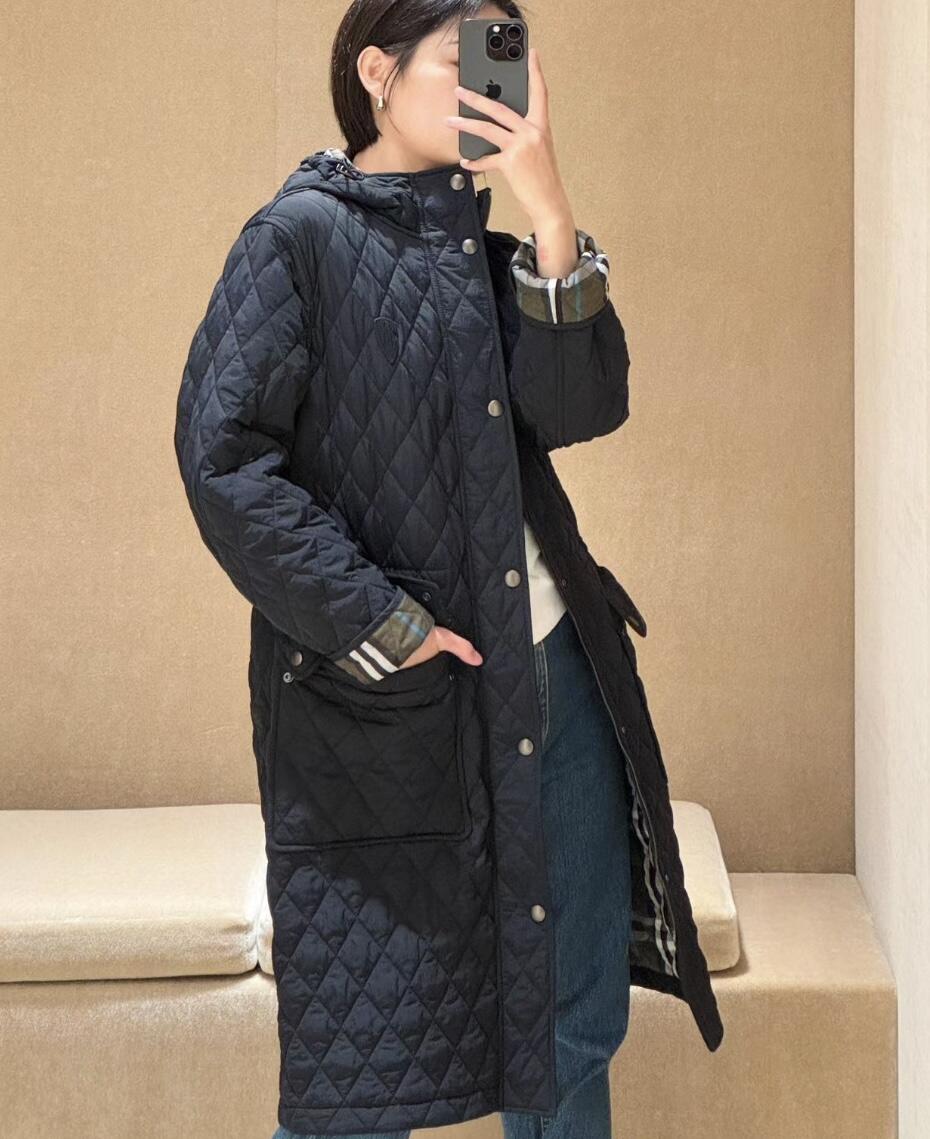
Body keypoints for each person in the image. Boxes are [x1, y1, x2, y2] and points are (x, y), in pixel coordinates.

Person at [176, 1, 722, 1136]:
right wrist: (384, 623)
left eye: (504, 60)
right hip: (394, 701)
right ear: (376, 72)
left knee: (572, 1028)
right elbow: (222, 463)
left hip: (561, 677)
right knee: (363, 1059)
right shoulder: (296, 238)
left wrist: (550, 209)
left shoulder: (487, 247)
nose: (490, 87)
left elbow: (578, 408)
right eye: (461, 59)